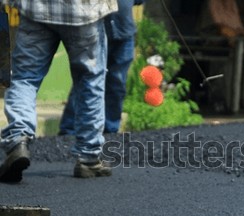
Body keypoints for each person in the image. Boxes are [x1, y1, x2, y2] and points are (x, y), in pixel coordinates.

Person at [0, 0, 118, 182]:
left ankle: (18, 138)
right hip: (85, 11)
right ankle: (88, 157)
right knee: (90, 80)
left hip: (36, 9)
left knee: (24, 77)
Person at [59, 0, 144, 135]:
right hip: (94, 31)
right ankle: (69, 129)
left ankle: (110, 130)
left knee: (117, 84)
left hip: (123, 31)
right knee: (85, 79)